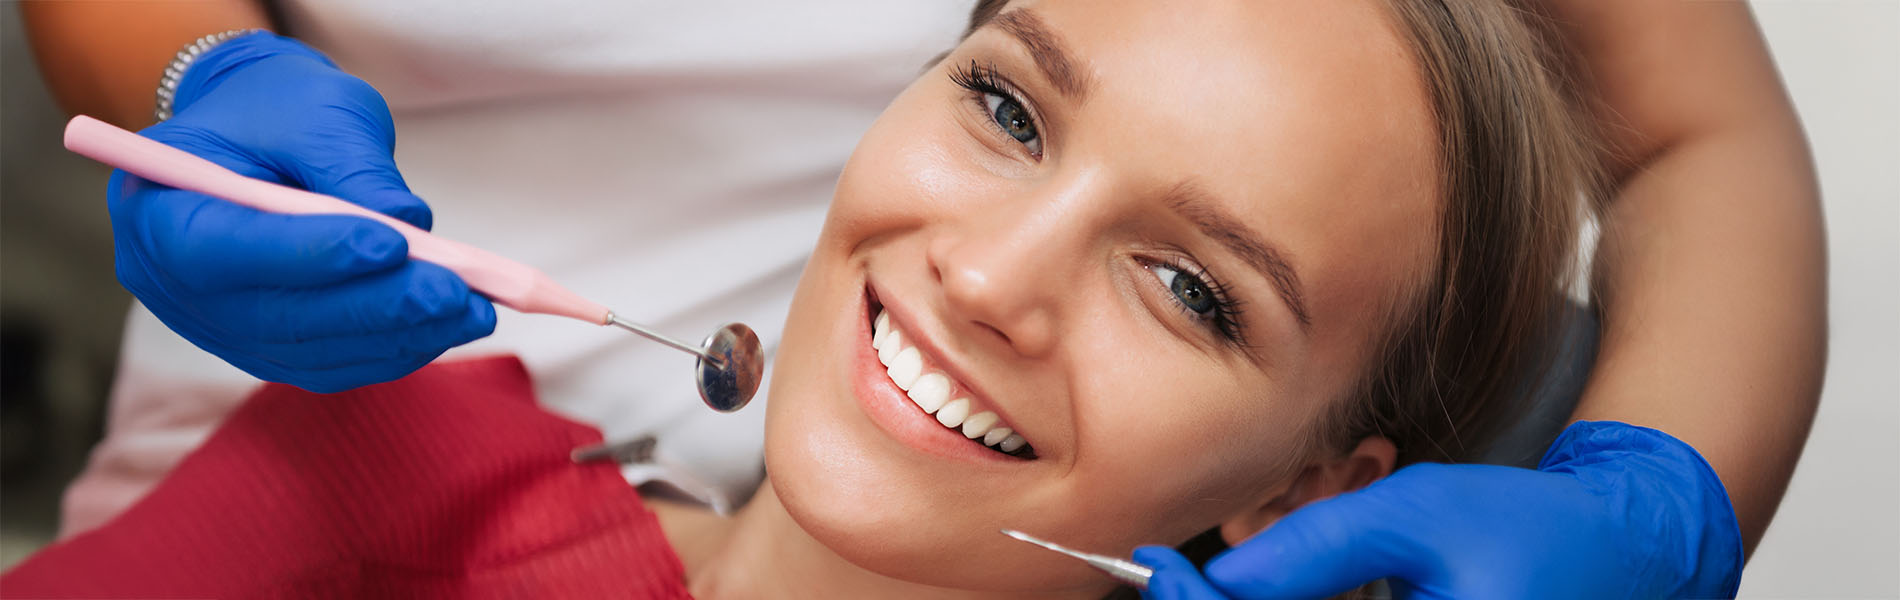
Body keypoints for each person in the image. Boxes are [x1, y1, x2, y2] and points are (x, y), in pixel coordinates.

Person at [20, 0, 1824, 596]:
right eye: (1006, 107)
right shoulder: (399, 469)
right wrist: (197, 73)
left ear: (1313, 495)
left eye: (1194, 291)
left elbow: (1702, 135)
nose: (991, 271)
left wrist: (1656, 502)